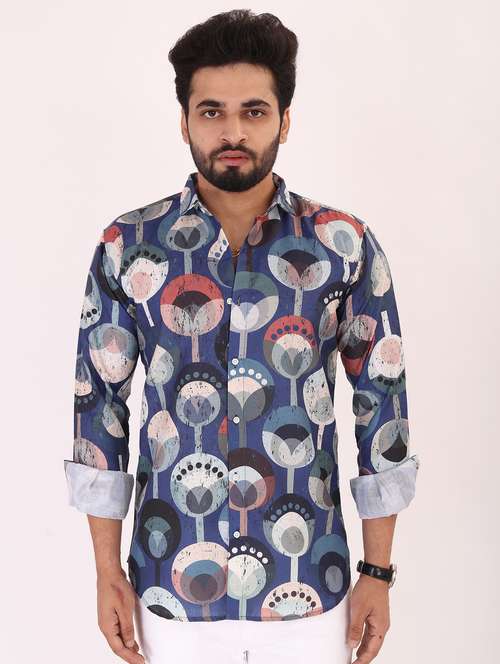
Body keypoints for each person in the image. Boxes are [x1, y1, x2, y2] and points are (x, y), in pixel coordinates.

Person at [63, 9, 420, 664]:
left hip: (311, 591)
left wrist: (378, 572)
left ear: (285, 120)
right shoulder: (128, 246)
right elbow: (99, 413)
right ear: (184, 121)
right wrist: (106, 570)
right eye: (212, 112)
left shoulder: (343, 245)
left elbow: (383, 412)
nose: (233, 131)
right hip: (171, 592)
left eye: (254, 111)